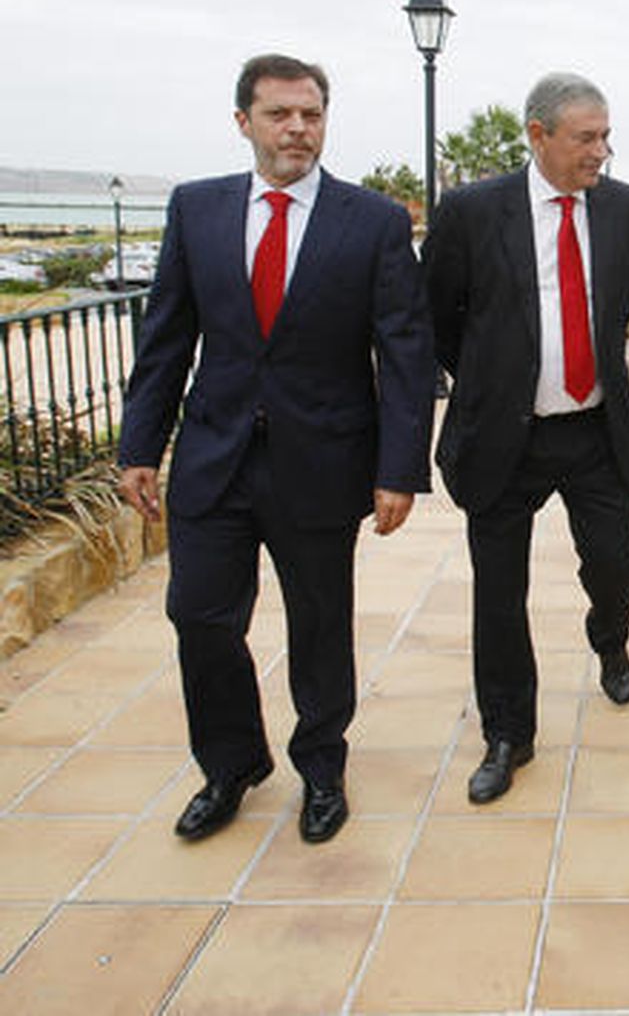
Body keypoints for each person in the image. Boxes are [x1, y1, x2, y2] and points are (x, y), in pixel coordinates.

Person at [116, 53, 435, 845]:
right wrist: (139, 446)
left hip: (323, 460)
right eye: (280, 114)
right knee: (199, 615)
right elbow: (166, 340)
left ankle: (321, 766)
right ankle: (230, 763)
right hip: (214, 458)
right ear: (244, 122)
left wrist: (400, 467)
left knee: (319, 623)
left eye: (311, 114)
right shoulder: (197, 211)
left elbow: (403, 352)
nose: (298, 129)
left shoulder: (374, 222)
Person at [426, 72, 629, 804]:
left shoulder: (626, 209)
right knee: (498, 594)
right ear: (538, 135)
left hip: (595, 432)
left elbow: (621, 302)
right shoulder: (469, 211)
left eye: (606, 135)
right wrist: (498, 383)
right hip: (504, 440)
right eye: (586, 137)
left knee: (618, 560)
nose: (601, 151)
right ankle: (507, 733)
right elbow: (441, 320)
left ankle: (609, 630)